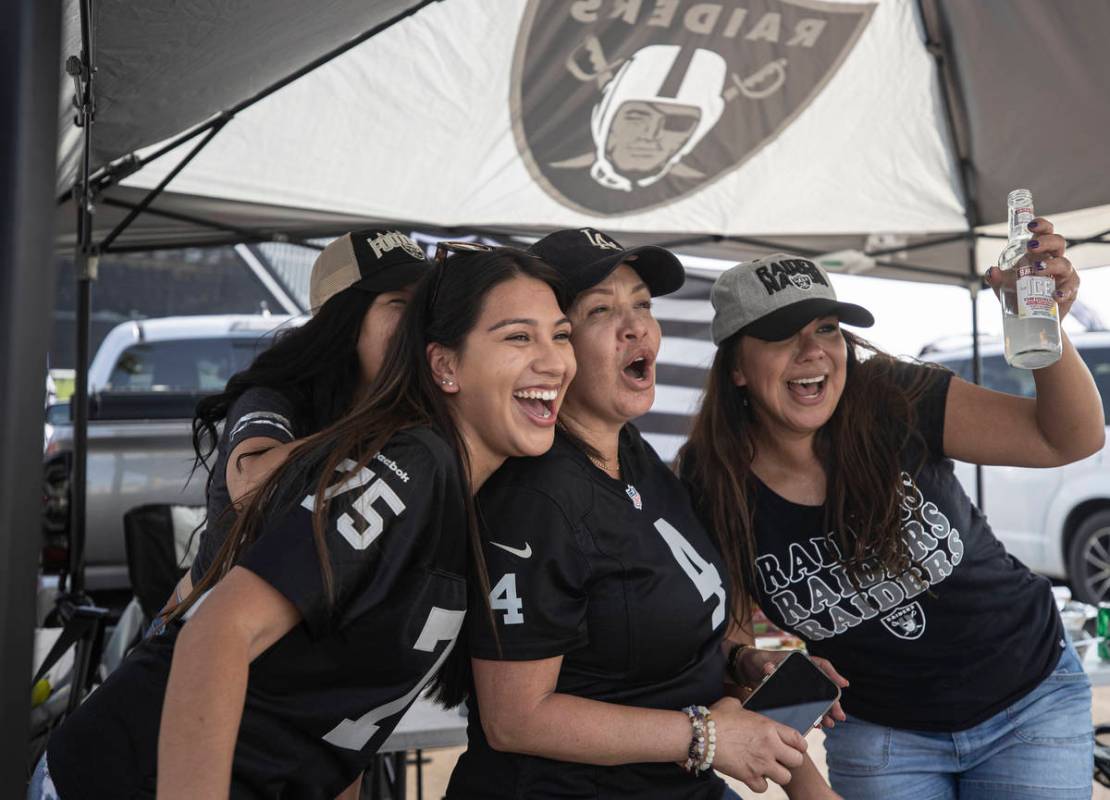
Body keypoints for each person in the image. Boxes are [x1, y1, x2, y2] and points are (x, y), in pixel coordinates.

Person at [31, 246, 576, 799]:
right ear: (445, 365)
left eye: (561, 334)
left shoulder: (458, 485)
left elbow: (341, 726)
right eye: (518, 337)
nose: (554, 360)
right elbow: (216, 631)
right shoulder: (411, 460)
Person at [678, 226, 1104, 799]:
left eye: (826, 328)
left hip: (1028, 698)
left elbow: (1067, 440)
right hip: (882, 734)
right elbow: (723, 628)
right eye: (781, 335)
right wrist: (755, 664)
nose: (813, 352)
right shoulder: (710, 479)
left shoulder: (890, 397)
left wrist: (1045, 328)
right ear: (736, 367)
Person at [446, 228, 834, 800]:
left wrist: (745, 660)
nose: (637, 327)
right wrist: (703, 735)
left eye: (643, 305)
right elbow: (514, 719)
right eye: (601, 310)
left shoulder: (630, 452)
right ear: (557, 344)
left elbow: (650, 636)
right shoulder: (535, 498)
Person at [174, 229, 431, 611]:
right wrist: (373, 423)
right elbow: (250, 485)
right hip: (199, 631)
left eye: (424, 306)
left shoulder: (417, 408)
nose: (417, 322)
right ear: (342, 318)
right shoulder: (276, 395)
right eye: (398, 302)